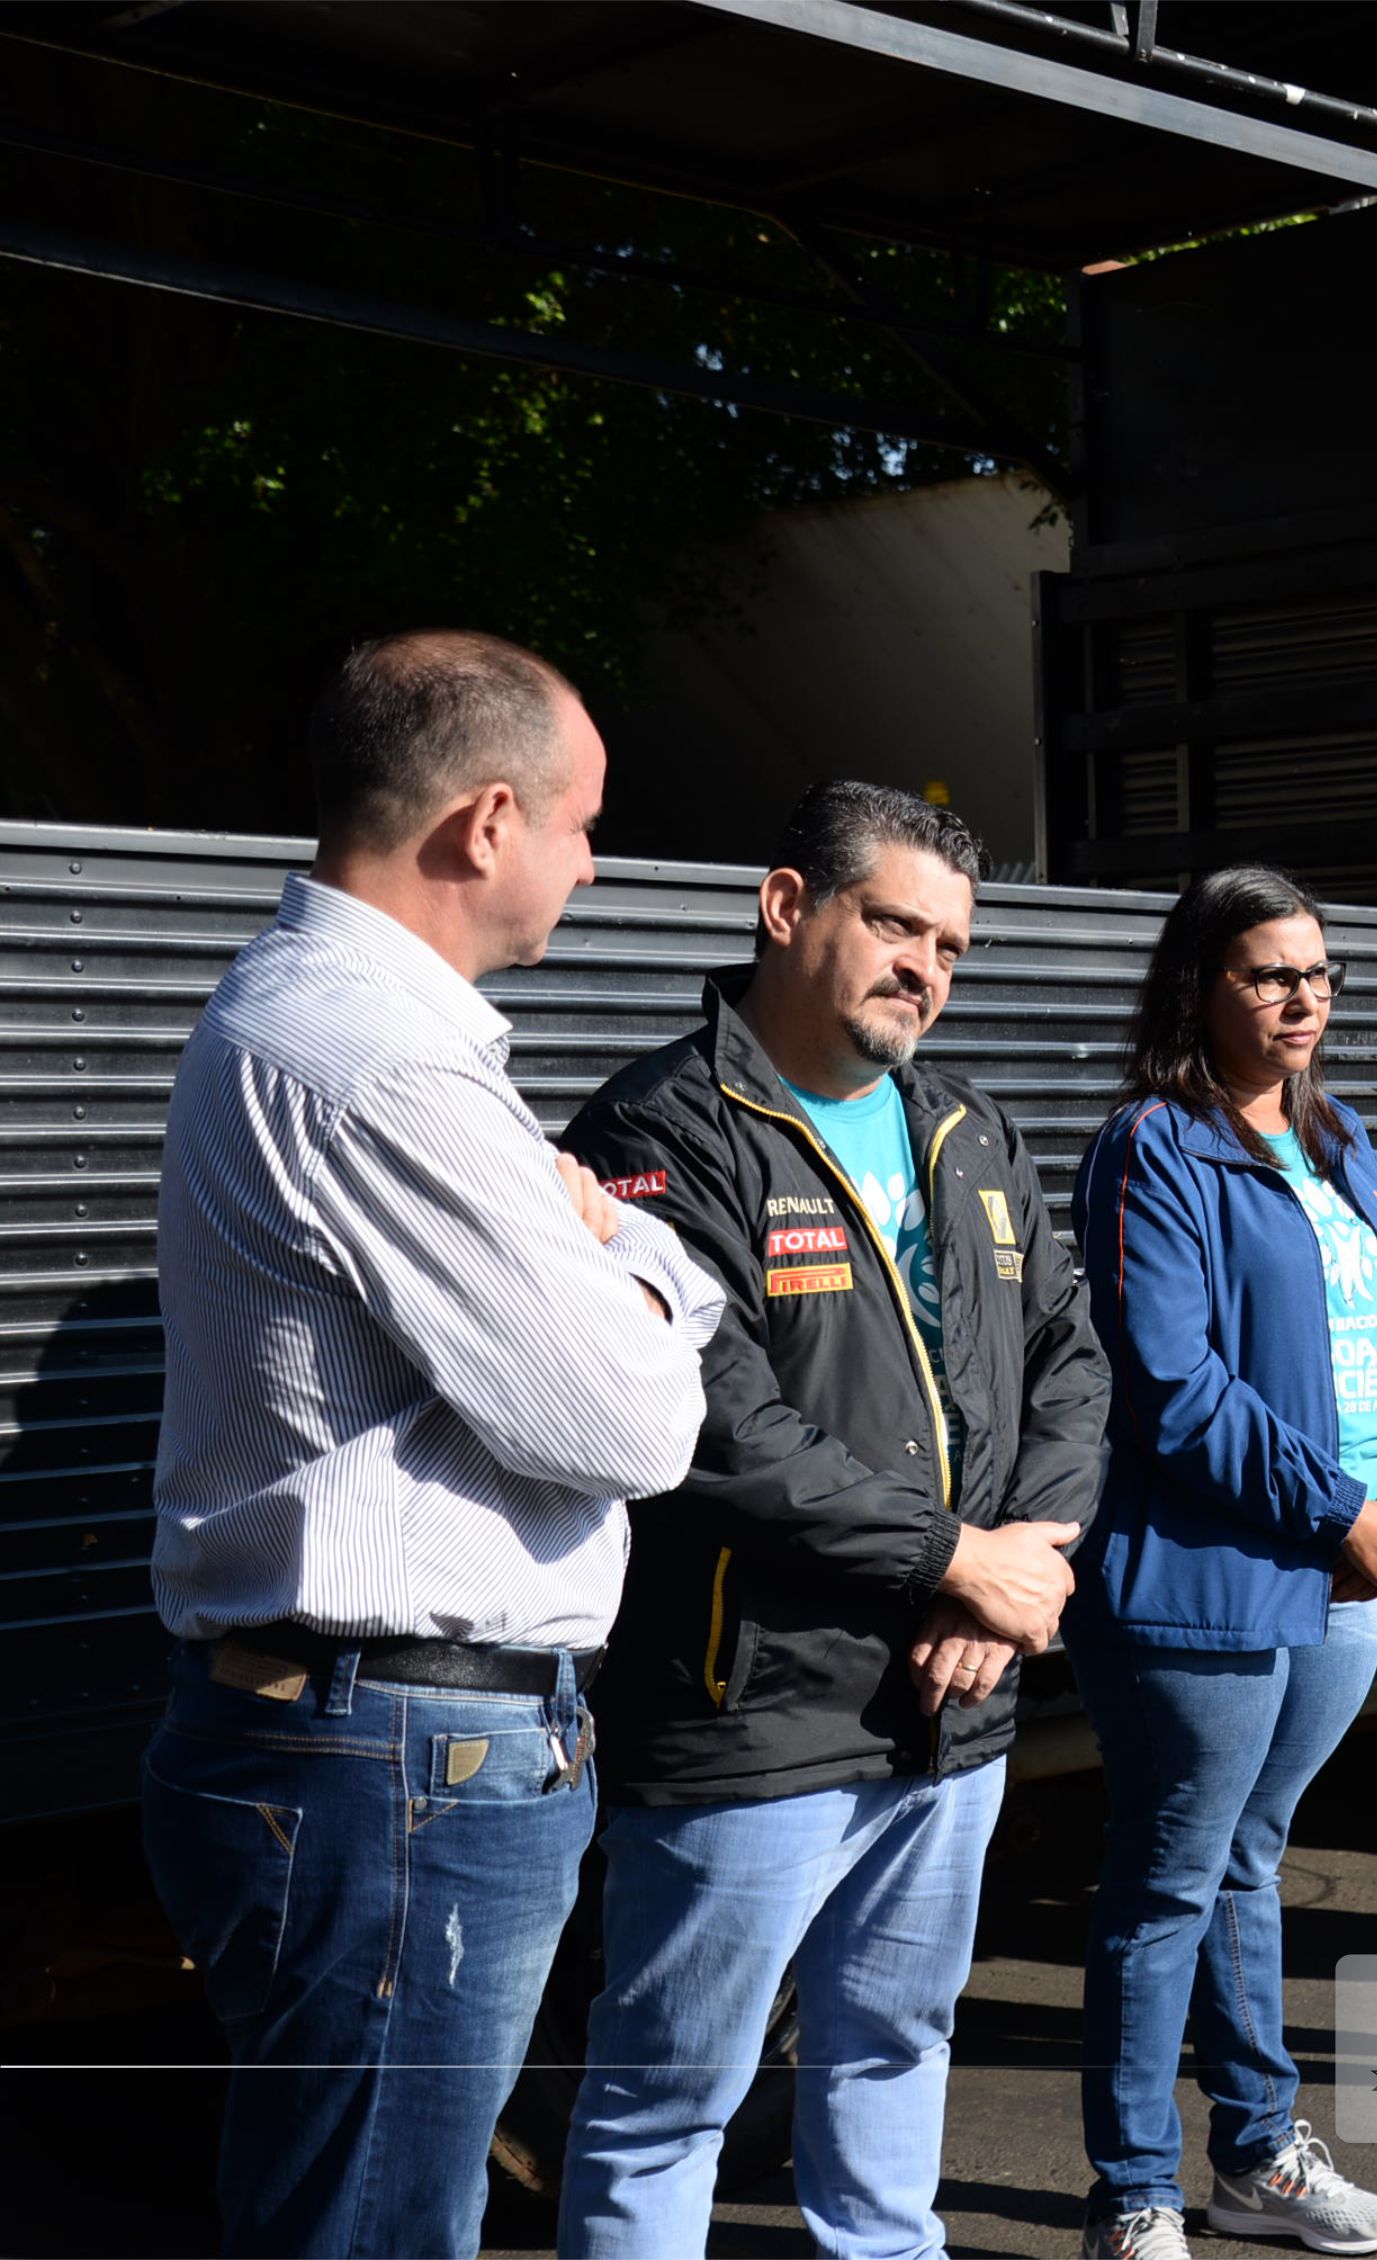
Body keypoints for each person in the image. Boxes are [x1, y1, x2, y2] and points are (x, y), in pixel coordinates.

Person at [140, 631, 725, 2257]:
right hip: (396, 1764)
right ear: (483, 824)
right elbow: (628, 1419)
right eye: (582, 821)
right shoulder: (379, 1065)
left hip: (371, 1751)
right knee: (380, 2232)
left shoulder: (350, 1035)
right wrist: (645, 1266)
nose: (593, 863)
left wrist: (611, 1255)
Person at [552, 783, 1108, 2258]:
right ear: (788, 905)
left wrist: (1013, 1569)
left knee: (895, 2051)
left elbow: (1072, 1360)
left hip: (951, 1707)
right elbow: (717, 1430)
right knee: (669, 2104)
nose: (926, 965)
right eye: (895, 924)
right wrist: (954, 1561)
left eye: (952, 946)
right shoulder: (659, 1127)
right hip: (753, 1719)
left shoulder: (967, 1126)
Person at [1070, 866, 1377, 2260]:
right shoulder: (1151, 1147)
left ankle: (1256, 2155)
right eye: (1268, 974)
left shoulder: (1338, 1138)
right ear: (1200, 987)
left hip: (1354, 1571)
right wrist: (1336, 1513)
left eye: (1318, 974)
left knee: (1246, 1860)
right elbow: (1169, 1383)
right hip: (1212, 1578)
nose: (1304, 997)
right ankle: (1132, 2192)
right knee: (1169, 1883)